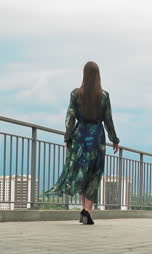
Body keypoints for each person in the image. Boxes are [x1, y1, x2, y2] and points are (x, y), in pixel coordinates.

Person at [47, 61, 120, 225]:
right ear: (98, 75)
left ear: (84, 75)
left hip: (80, 138)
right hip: (97, 139)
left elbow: (69, 118)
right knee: (94, 174)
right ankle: (87, 210)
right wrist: (114, 140)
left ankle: (84, 211)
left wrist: (68, 137)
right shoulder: (104, 96)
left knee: (83, 173)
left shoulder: (76, 94)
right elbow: (108, 120)